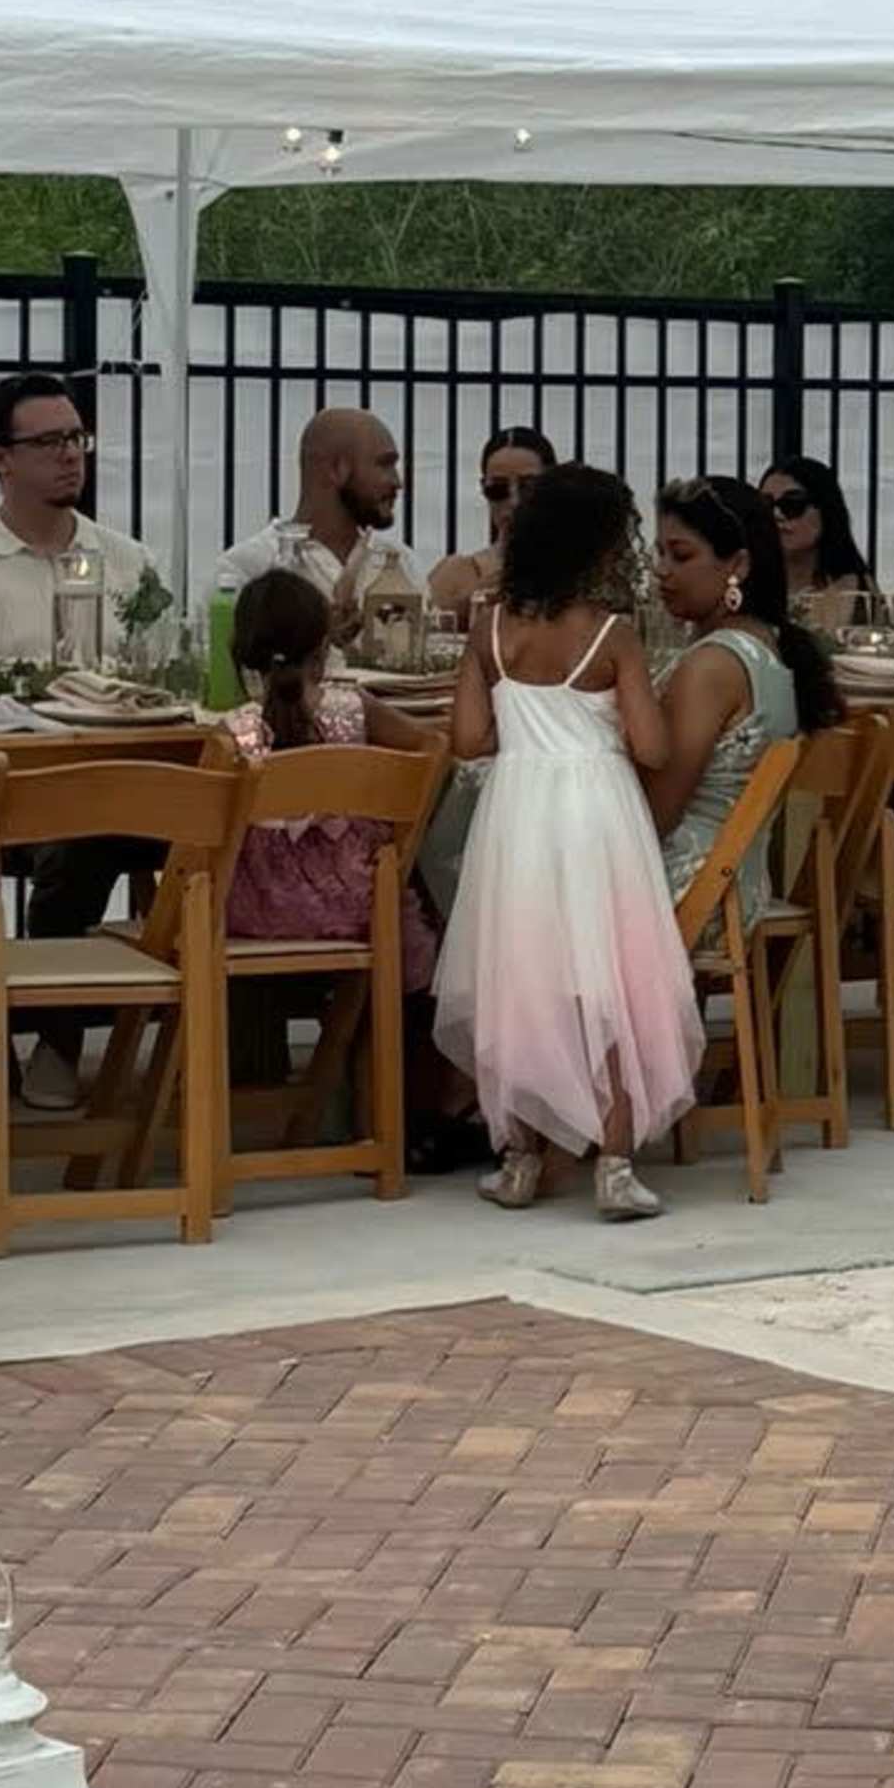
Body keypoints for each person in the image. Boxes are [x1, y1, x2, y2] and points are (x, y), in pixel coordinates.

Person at [432, 464, 704, 1221]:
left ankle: (520, 1156)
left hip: (518, 816)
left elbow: (467, 739)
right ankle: (614, 1164)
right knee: (610, 983)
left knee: (522, 982)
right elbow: (651, 748)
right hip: (596, 816)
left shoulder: (488, 628)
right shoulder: (612, 635)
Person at [221, 563, 470, 1156]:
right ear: (324, 646)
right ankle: (403, 1112)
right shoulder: (352, 710)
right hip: (360, 910)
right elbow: (434, 751)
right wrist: (393, 825)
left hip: (251, 917)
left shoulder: (234, 731)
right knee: (425, 919)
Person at [647, 478, 840, 905]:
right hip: (736, 891)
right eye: (659, 552)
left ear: (737, 566)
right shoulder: (766, 643)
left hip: (686, 891)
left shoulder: (712, 666)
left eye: (680, 555)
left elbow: (656, 814)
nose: (662, 569)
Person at [0, 371, 155, 670]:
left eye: (77, 438)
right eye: (49, 441)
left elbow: (157, 679)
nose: (72, 455)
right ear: (0, 458)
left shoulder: (131, 560)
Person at [213, 408, 427, 628]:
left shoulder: (402, 563)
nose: (397, 482)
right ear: (336, 469)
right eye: (384, 464)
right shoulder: (246, 568)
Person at [430, 423, 558, 622]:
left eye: (529, 487)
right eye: (498, 490)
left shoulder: (590, 571)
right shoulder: (458, 574)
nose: (514, 502)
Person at [758, 455, 877, 640]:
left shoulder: (857, 589)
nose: (777, 515)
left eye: (792, 504)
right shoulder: (743, 582)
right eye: (766, 505)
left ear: (826, 510)